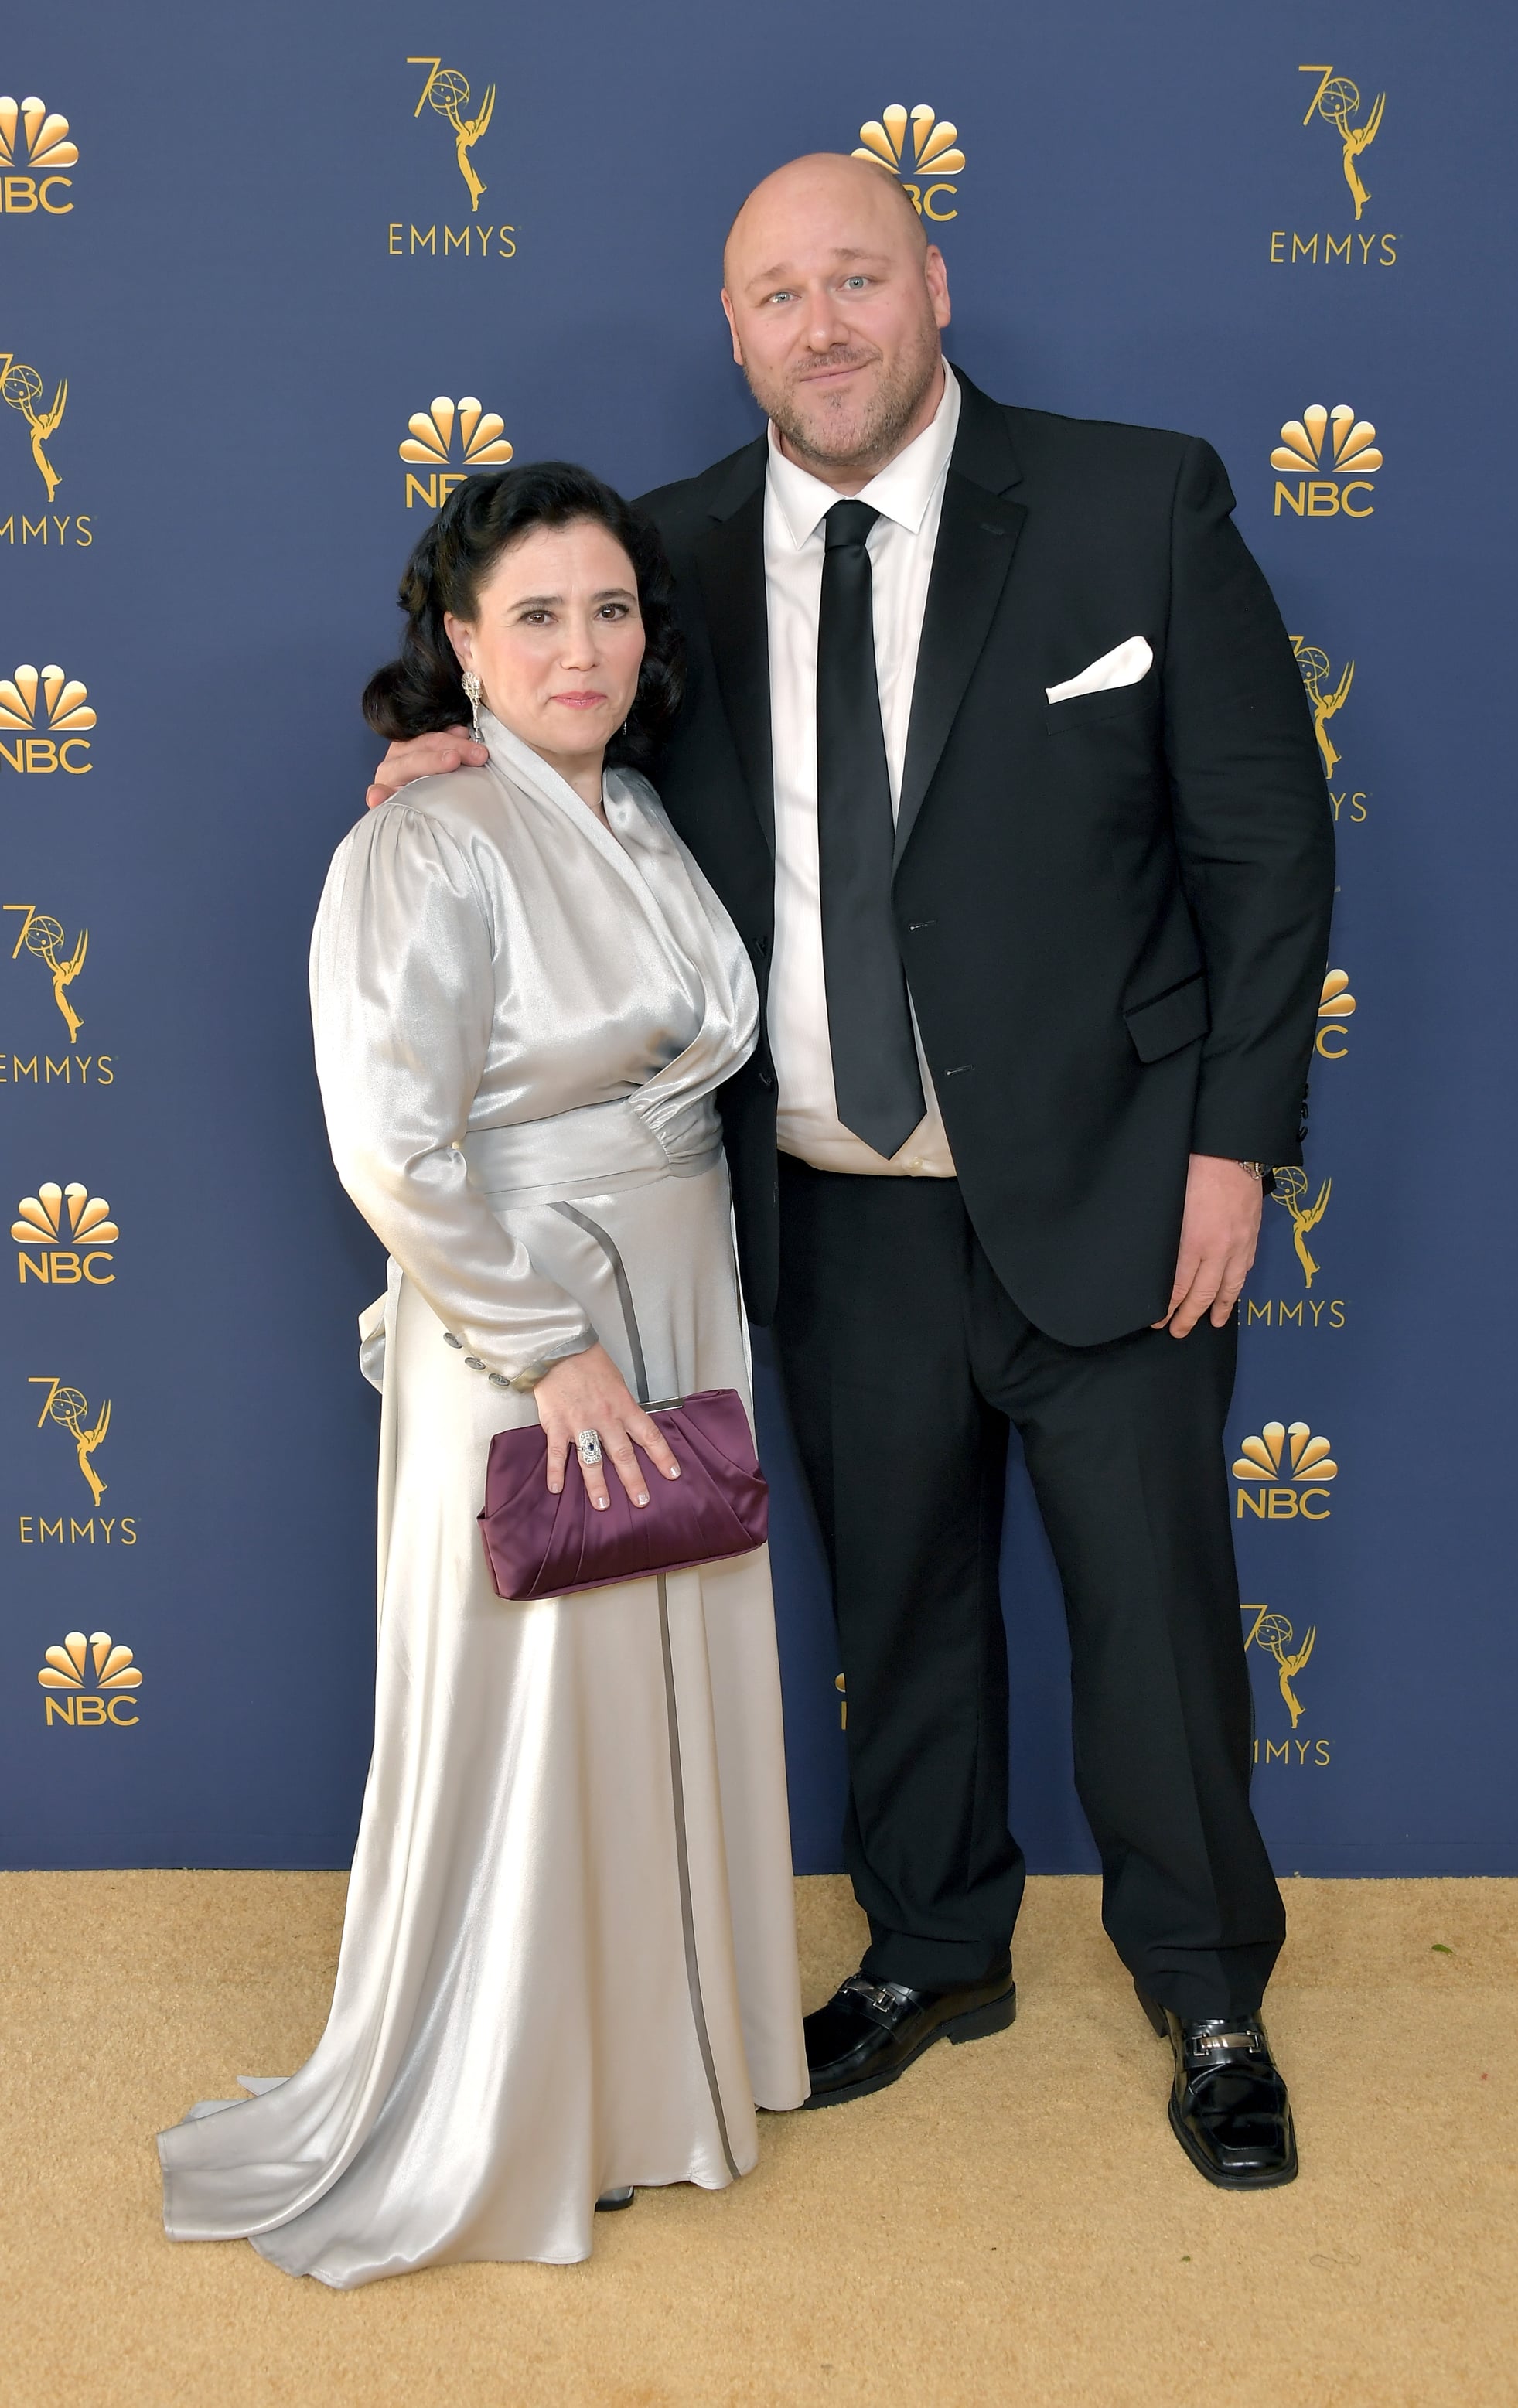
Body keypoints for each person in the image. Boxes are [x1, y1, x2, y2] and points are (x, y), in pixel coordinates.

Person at [367, 154, 1335, 2192]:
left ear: (934, 285)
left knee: (1155, 1619)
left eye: (855, 281)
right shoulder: (672, 560)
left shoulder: (1132, 501)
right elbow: (577, 729)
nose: (820, 326)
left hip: (1114, 1183)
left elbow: (1268, 851)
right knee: (897, 1611)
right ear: (732, 331)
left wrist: (1235, 1140)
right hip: (820, 1207)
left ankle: (1212, 1992)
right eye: (776, 295)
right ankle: (935, 1949)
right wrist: (457, 748)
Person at [159, 464, 807, 2286]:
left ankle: (651, 2079)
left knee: (652, 1679)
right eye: (534, 616)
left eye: (610, 610)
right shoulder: (418, 845)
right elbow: (395, 1147)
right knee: (538, 1700)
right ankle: (515, 2103)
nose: (582, 647)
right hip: (531, 1328)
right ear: (459, 645)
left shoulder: (651, 820)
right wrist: (554, 1353)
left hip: (679, 1299)